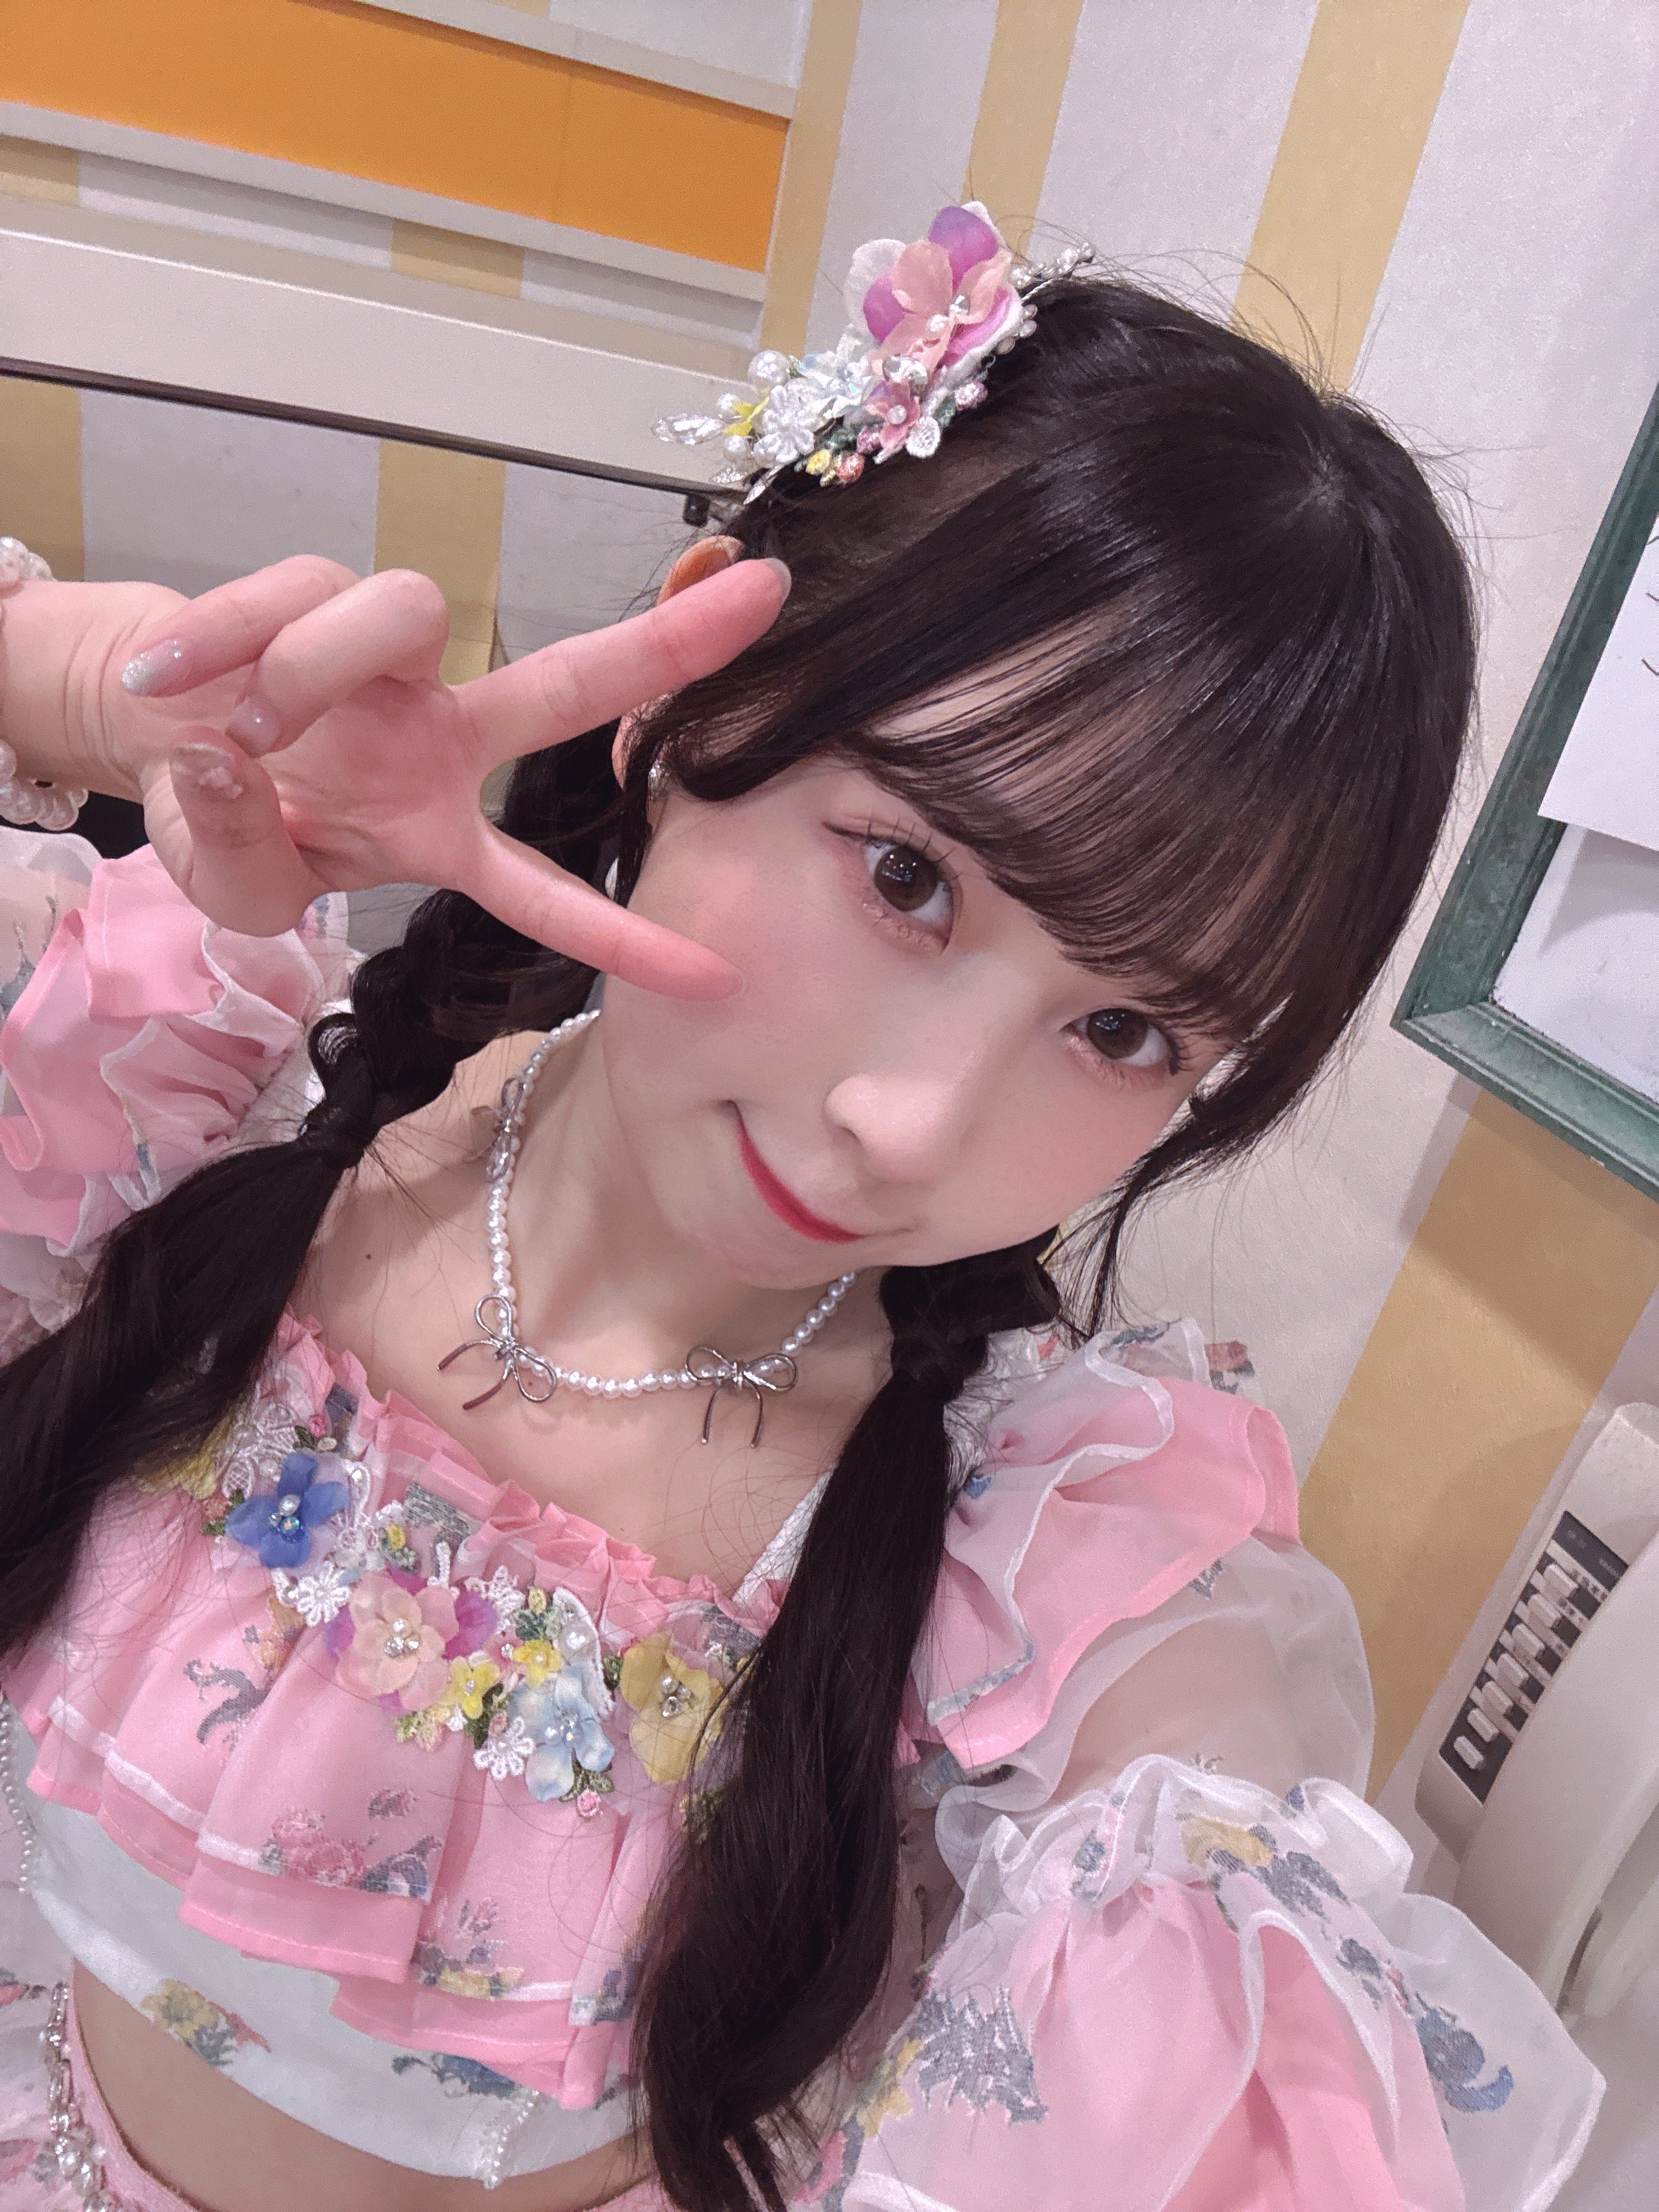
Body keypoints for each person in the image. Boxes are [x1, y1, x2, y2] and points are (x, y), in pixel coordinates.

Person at [0, 208, 1600, 2212]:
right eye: (908, 875)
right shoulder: (192, 1088)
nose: (906, 1128)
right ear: (687, 696)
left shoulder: (1028, 1566)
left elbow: (1218, 1985)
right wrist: (86, 686)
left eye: (1121, 1030)